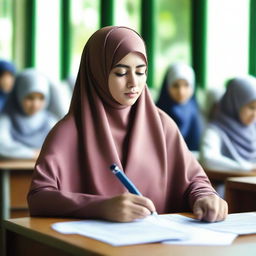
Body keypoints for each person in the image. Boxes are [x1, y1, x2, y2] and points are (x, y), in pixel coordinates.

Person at [27, 26, 227, 223]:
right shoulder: (69, 131)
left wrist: (206, 196)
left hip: (158, 246)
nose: (134, 83)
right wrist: (100, 207)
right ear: (98, 73)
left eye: (141, 72)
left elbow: (194, 180)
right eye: (121, 73)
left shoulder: (162, 125)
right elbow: (39, 197)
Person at [200, 76, 256, 172]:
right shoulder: (214, 131)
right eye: (251, 107)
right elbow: (207, 159)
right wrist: (247, 168)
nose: (254, 114)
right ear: (234, 103)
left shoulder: (253, 129)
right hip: (226, 186)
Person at [0, 68, 57, 159]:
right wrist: (32, 154)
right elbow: (2, 144)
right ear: (19, 95)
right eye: (29, 98)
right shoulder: (6, 119)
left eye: (41, 98)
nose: (35, 104)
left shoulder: (50, 121)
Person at [156, 63, 203, 152]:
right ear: (167, 86)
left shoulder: (196, 113)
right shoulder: (155, 114)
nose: (181, 91)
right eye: (175, 85)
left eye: (186, 85)